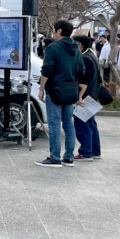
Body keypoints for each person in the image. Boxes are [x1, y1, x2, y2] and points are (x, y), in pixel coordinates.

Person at [37, 19, 88, 168]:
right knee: (68, 124)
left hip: (55, 90)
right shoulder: (77, 49)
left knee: (54, 124)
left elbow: (46, 69)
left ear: (59, 31)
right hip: (70, 91)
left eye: (54, 29)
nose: (52, 32)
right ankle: (68, 157)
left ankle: (54, 157)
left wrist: (41, 88)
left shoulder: (53, 48)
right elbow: (82, 72)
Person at [73, 35, 103, 161]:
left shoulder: (84, 58)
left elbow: (83, 80)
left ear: (80, 44)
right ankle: (95, 151)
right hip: (93, 94)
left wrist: (78, 96)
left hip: (85, 97)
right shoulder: (91, 55)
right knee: (91, 124)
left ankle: (86, 152)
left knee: (82, 125)